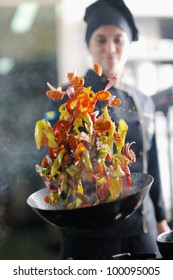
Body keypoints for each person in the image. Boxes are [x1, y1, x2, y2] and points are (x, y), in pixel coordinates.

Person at [42, 0, 170, 259]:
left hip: (142, 231)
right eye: (101, 39)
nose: (110, 48)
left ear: (127, 44)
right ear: (89, 44)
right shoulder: (70, 94)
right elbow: (49, 155)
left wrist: (160, 219)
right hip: (90, 232)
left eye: (118, 39)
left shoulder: (141, 99)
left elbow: (151, 162)